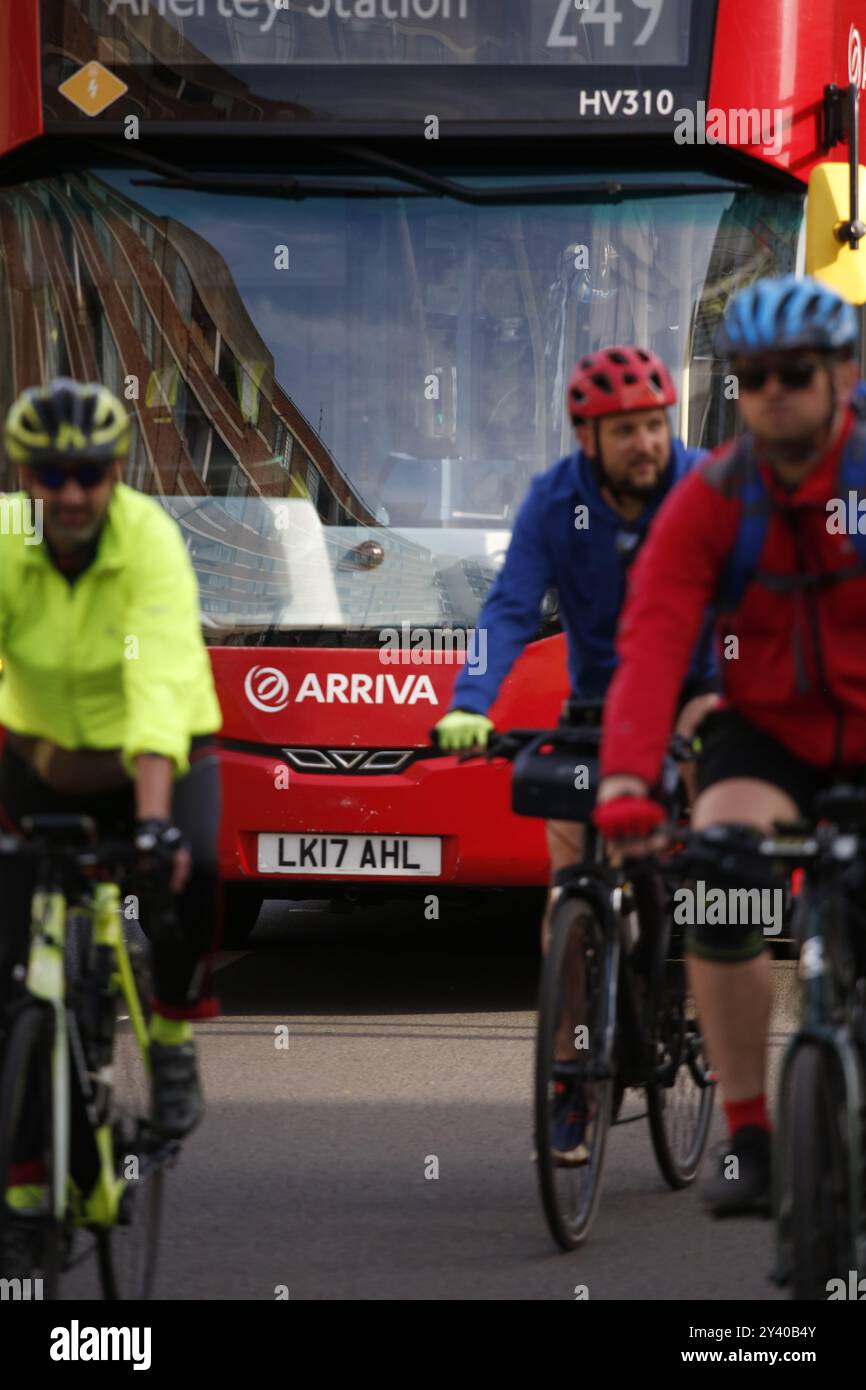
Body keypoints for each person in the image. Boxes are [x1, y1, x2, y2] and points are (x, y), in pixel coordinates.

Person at [594, 276, 866, 1215]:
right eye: (752, 378)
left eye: (795, 372)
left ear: (843, 374)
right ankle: (749, 1131)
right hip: (770, 729)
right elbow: (654, 641)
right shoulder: (714, 495)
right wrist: (628, 780)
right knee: (717, 876)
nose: (772, 392)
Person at [433, 345, 718, 1162]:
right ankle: (570, 1079)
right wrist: (470, 704)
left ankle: (686, 929)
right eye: (625, 429)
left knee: (704, 788)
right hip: (598, 708)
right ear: (586, 439)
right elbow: (510, 609)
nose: (646, 444)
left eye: (655, 425)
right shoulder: (555, 502)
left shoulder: (702, 490)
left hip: (696, 684)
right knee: (568, 898)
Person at [0, 378, 223, 1174]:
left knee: (195, 866)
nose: (70, 493)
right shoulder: (6, 543)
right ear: (24, 474)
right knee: (13, 978)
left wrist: (157, 823)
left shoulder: (149, 541)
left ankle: (169, 1032)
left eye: (90, 473)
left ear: (118, 470)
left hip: (157, 755)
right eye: (50, 475)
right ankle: (27, 1189)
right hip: (41, 754)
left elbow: (156, 682)